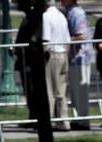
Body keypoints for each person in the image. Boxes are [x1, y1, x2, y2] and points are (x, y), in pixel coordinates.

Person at [62, 0, 92, 130]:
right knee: (75, 92)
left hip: (81, 58)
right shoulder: (69, 12)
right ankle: (78, 119)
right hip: (73, 58)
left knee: (81, 91)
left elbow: (81, 36)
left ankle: (83, 121)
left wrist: (65, 40)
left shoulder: (76, 13)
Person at [41, 0, 70, 128]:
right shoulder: (61, 15)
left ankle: (49, 120)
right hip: (63, 53)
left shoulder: (46, 16)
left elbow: (46, 39)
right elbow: (68, 39)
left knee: (50, 90)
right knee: (61, 90)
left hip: (52, 54)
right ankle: (63, 121)